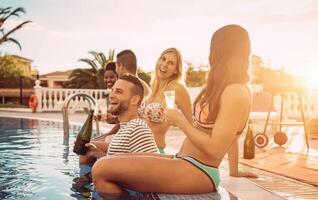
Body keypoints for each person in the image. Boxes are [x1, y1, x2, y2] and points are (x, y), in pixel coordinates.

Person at [92, 24, 257, 199]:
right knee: (105, 163)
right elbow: (225, 133)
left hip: (200, 170)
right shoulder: (220, 88)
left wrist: (180, 122)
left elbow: (216, 149)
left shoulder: (236, 91)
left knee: (101, 169)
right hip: (183, 159)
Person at [73, 74, 159, 188]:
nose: (112, 95)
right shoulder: (126, 128)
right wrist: (96, 152)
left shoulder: (138, 128)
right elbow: (123, 163)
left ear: (134, 100)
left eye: (118, 92)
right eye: (112, 91)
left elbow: (151, 175)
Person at [139, 48, 192, 154]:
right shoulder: (153, 88)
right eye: (163, 59)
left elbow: (191, 125)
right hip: (137, 148)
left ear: (176, 70)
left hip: (154, 151)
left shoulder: (177, 89)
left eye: (170, 63)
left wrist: (184, 153)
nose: (164, 64)